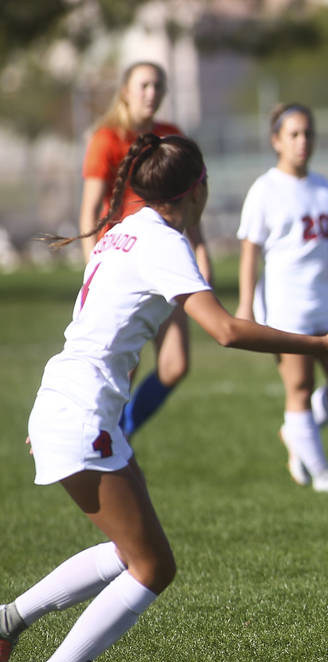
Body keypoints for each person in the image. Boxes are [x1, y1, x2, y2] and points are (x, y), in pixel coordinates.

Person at [0, 133, 328, 662]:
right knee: (152, 567)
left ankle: (8, 623)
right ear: (197, 187)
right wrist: (320, 344)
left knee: (131, 552)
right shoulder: (163, 243)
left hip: (69, 402)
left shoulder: (121, 230)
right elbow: (224, 330)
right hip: (81, 411)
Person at [79, 61, 212, 439]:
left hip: (168, 261)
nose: (151, 93)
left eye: (158, 86)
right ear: (125, 91)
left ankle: (121, 432)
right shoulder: (106, 138)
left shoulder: (170, 135)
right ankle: (106, 437)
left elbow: (190, 204)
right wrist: (96, 269)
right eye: (143, 86)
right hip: (127, 264)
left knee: (175, 365)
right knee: (123, 369)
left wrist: (201, 255)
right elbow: (89, 210)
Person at [236, 103, 328, 493]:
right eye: (293, 134)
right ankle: (321, 472)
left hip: (324, 299)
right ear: (276, 140)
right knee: (300, 387)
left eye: (308, 133)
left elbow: (322, 234)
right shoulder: (265, 189)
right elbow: (250, 250)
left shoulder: (322, 187)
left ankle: (297, 433)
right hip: (284, 302)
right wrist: (244, 306)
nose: (302, 141)